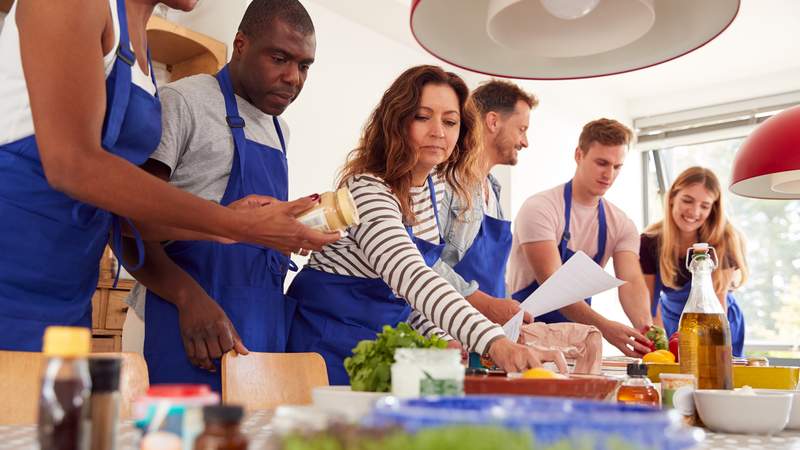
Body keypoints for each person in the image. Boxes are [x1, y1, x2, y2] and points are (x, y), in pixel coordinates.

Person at [0, 0, 336, 351]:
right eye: (280, 59)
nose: (292, 76)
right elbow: (74, 164)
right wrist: (233, 227)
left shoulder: (139, 49)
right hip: (15, 268)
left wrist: (232, 223)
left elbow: (125, 213)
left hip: (70, 282)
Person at [286, 65, 566, 384]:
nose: (438, 131)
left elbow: (410, 296)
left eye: (450, 121)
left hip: (374, 351)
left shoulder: (430, 192)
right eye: (422, 117)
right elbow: (411, 277)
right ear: (397, 122)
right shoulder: (367, 190)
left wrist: (440, 339)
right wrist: (493, 341)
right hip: (322, 347)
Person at [117, 0, 328, 390]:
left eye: (303, 66)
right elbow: (128, 223)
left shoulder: (280, 132)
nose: (292, 78)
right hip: (176, 320)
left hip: (252, 332)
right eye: (280, 58)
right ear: (241, 44)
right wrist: (188, 299)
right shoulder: (184, 102)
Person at [507, 118, 653, 357]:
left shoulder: (621, 224)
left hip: (578, 344)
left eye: (617, 167)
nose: (609, 174)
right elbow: (555, 286)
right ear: (579, 155)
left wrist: (646, 330)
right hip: (525, 339)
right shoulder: (540, 208)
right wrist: (605, 328)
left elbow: (632, 282)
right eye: (602, 163)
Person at [434, 79, 536, 326]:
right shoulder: (446, 180)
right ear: (493, 122)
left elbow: (495, 277)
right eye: (521, 129)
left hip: (489, 335)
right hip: (447, 331)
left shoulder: (494, 189)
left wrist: (509, 313)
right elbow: (424, 263)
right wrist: (487, 306)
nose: (525, 142)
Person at [640, 166, 748, 356]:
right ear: (672, 197)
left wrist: (715, 345)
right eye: (687, 200)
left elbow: (717, 300)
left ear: (713, 208)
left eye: (704, 206)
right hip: (671, 319)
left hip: (719, 318)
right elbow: (650, 306)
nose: (694, 211)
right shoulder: (649, 242)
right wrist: (661, 348)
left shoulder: (724, 239)